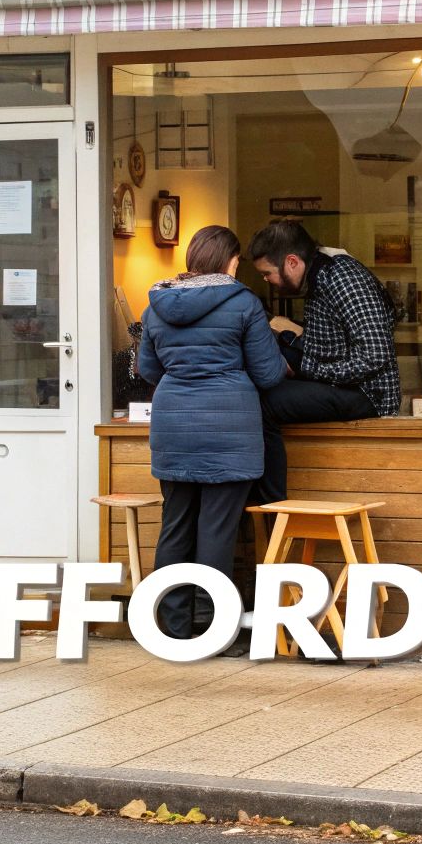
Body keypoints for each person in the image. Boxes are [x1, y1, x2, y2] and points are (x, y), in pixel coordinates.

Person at [135, 225, 287, 645]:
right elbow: (268, 373)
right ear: (230, 260)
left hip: (174, 424)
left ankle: (173, 627)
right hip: (228, 428)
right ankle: (212, 627)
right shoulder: (242, 302)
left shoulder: (157, 303)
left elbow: (147, 369)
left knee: (176, 525)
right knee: (217, 530)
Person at [247, 219, 401, 505]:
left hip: (367, 393)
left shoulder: (344, 279)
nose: (266, 280)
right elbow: (330, 343)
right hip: (339, 379)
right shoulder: (318, 275)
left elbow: (376, 355)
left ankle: (272, 507)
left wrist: (306, 368)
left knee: (262, 403)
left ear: (291, 261)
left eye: (268, 273)